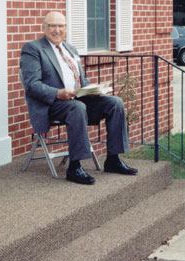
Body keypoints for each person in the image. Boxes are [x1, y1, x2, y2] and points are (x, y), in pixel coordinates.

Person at [20, 11, 138, 184]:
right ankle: (74, 167)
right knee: (77, 107)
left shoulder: (70, 49)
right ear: (44, 27)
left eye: (60, 26)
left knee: (115, 103)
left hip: (77, 100)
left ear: (66, 28)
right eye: (52, 25)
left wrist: (93, 89)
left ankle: (113, 159)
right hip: (53, 104)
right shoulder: (33, 48)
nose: (56, 30)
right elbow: (32, 85)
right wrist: (58, 93)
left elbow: (81, 80)